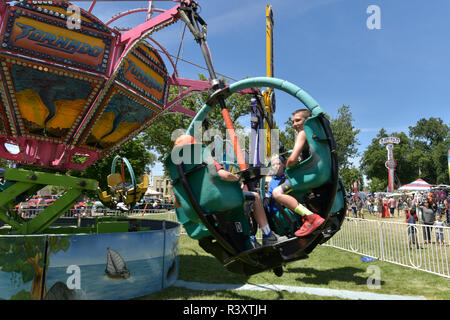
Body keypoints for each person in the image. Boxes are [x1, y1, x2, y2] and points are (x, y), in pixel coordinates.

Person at [173, 134, 287, 247]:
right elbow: (223, 175)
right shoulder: (202, 161)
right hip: (218, 202)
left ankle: (249, 239)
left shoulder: (178, 175)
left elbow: (177, 202)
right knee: (255, 197)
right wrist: (237, 180)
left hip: (199, 213)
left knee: (243, 201)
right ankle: (268, 236)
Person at [272, 108, 325, 237]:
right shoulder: (319, 135)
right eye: (293, 122)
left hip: (311, 176)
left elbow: (292, 159)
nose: (294, 124)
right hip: (321, 174)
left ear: (307, 120)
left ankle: (310, 217)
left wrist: (288, 165)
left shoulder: (303, 133)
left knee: (277, 193)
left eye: (298, 120)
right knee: (294, 195)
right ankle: (306, 218)